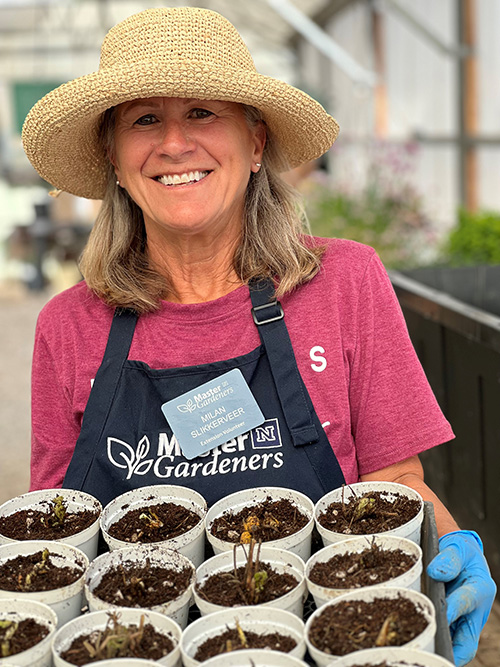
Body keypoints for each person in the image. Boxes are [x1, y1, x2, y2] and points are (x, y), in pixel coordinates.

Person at [22, 7, 495, 664]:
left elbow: (396, 481)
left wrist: (452, 549)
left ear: (257, 143)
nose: (175, 143)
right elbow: (59, 527)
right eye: (144, 119)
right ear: (114, 156)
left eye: (204, 113)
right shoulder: (70, 326)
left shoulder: (343, 283)